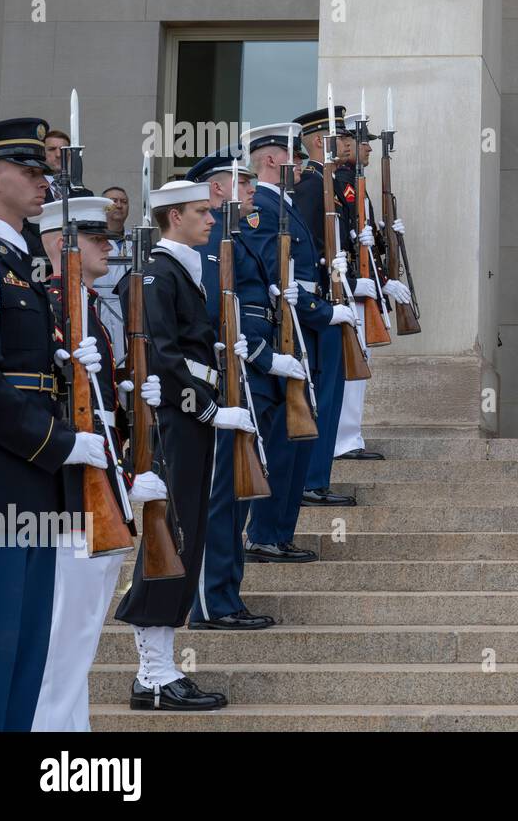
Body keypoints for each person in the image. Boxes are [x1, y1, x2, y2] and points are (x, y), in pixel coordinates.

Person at [113, 179, 251, 711]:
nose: (211, 219)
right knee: (167, 539)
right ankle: (152, 673)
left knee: (185, 538)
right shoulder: (157, 274)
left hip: (188, 423)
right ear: (173, 217)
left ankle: (160, 669)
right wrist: (214, 410)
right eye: (201, 211)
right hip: (172, 425)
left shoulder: (182, 271)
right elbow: (164, 361)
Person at [0, 118, 107, 731]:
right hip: (6, 475)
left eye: (44, 172)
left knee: (29, 651)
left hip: (37, 478)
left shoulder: (23, 254)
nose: (43, 183)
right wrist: (61, 443)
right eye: (30, 172)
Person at [30, 194, 163, 731]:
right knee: (63, 632)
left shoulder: (88, 307)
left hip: (101, 484)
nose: (108, 245)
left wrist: (134, 400)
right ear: (62, 244)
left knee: (81, 633)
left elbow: (103, 406)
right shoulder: (53, 305)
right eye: (95, 238)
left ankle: (69, 730)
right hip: (66, 493)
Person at [185, 151, 288, 629]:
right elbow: (215, 317)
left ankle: (227, 595)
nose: (251, 189)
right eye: (242, 181)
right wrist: (264, 356)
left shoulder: (235, 238)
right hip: (227, 381)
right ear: (217, 188)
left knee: (239, 493)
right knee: (223, 496)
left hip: (247, 381)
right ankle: (210, 601)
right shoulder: (212, 246)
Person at [245, 124, 358, 562]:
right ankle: (266, 532)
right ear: (272, 160)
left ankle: (279, 532)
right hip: (287, 330)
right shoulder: (263, 210)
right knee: (283, 441)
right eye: (293, 154)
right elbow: (277, 279)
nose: (303, 162)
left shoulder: (284, 205)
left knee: (297, 439)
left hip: (301, 327)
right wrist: (324, 312)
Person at [333, 113, 409, 460]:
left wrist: (384, 236)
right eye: (363, 142)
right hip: (352, 288)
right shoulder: (342, 182)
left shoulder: (354, 183)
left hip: (365, 286)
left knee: (361, 364)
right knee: (354, 364)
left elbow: (365, 241)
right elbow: (343, 242)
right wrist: (364, 282)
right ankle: (344, 439)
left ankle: (351, 435)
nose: (367, 149)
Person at [291, 106, 356, 506]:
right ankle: (313, 479)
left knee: (332, 393)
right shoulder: (313, 186)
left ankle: (319, 476)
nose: (344, 146)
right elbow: (307, 249)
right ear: (319, 142)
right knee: (324, 394)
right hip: (320, 302)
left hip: (334, 295)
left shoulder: (326, 182)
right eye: (338, 139)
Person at [91, 185, 130, 367]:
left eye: (124, 201)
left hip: (130, 315)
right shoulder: (92, 240)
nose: (119, 205)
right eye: (114, 201)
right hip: (101, 311)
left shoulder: (136, 239)